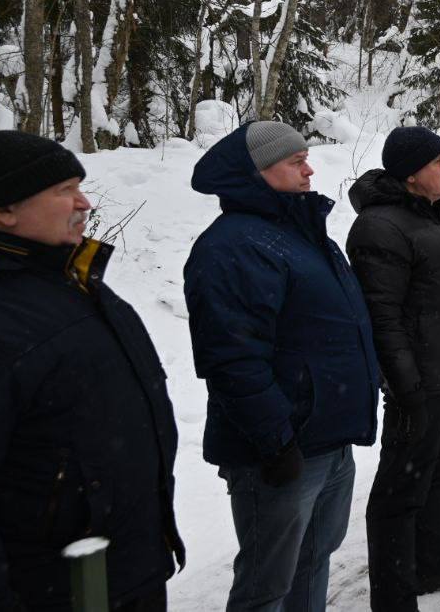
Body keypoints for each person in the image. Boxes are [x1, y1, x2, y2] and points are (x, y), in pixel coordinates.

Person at [184, 121, 380, 612]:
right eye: (296, 162)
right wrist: (275, 442)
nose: (310, 169)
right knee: (266, 586)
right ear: (257, 172)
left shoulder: (302, 234)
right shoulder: (233, 246)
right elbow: (232, 360)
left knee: (313, 561)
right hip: (281, 451)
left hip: (327, 442)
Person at [0, 131, 184, 611]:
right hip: (57, 586)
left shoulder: (71, 281)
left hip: (121, 566)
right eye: (64, 191)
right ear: (3, 210)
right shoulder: (0, 317)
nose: (85, 203)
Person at [346, 126, 440, 608]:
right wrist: (405, 388)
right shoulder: (379, 228)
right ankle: (394, 596)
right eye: (439, 162)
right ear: (411, 175)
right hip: (420, 388)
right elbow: (382, 318)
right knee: (399, 492)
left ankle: (436, 562)